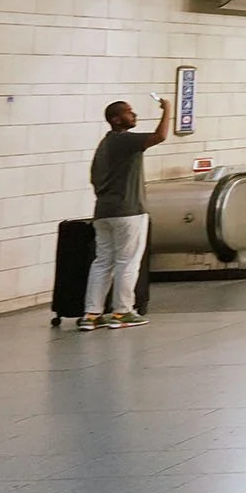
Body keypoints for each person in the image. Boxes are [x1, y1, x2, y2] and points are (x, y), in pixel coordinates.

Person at [81, 97, 165, 330]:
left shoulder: (103, 146)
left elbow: (94, 179)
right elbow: (160, 136)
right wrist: (167, 110)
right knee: (127, 262)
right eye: (129, 113)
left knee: (102, 262)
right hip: (129, 211)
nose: (134, 115)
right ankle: (122, 311)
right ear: (116, 120)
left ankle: (92, 314)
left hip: (103, 212)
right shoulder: (125, 140)